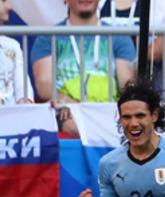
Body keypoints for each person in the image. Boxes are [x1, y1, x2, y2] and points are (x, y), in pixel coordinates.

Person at [31, 0, 136, 135]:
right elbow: (44, 86)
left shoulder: (118, 36)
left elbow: (126, 84)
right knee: (72, 125)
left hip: (110, 112)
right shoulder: (47, 37)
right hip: (66, 112)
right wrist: (71, 105)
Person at [0, 0, 32, 105]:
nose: (8, 7)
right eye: (3, 1)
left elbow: (22, 85)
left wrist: (25, 103)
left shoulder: (12, 45)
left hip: (13, 116)